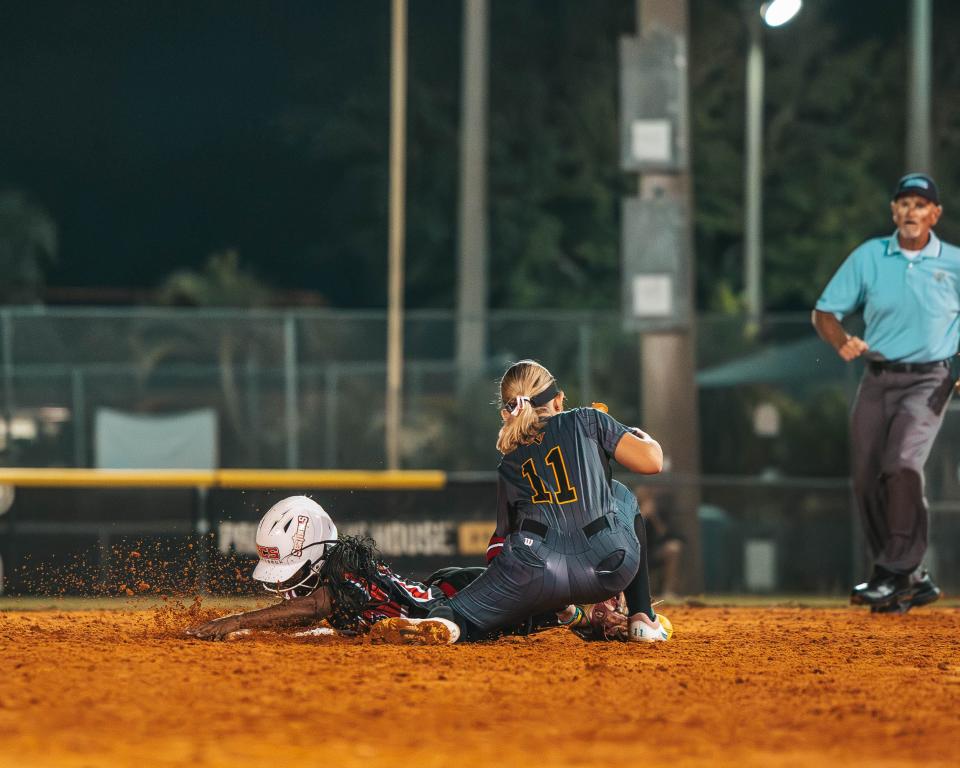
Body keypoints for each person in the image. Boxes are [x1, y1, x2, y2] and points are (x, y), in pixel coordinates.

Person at [370, 359, 672, 644]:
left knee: (457, 613)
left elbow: (499, 545)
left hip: (535, 571)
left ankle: (448, 627)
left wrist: (515, 592)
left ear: (507, 413)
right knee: (619, 493)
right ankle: (642, 618)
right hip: (608, 563)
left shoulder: (509, 463)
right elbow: (652, 463)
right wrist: (643, 439)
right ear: (558, 400)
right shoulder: (587, 419)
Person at [812, 172, 958, 614]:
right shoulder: (870, 256)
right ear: (893, 211)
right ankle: (907, 581)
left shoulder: (953, 262)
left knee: (902, 465)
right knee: (866, 478)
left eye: (920, 204)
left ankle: (893, 571)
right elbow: (824, 313)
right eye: (904, 203)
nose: (911, 212)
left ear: (935, 214)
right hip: (877, 378)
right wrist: (841, 341)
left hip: (930, 379)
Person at [185, 495, 576, 642]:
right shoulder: (329, 574)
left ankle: (595, 613)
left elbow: (315, 607)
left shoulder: (342, 567)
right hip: (442, 594)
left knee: (558, 615)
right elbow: (303, 613)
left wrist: (238, 621)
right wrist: (250, 626)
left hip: (459, 603)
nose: (286, 579)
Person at [634, 486, 684, 602]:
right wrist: (642, 515)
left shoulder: (659, 510)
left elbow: (662, 534)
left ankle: (668, 592)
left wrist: (653, 516)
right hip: (634, 552)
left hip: (651, 552)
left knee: (673, 548)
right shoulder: (628, 507)